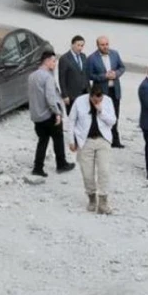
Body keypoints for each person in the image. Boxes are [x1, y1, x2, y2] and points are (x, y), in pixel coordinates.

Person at [68, 86, 116, 214]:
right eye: (95, 100)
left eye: (99, 100)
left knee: (104, 171)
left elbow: (112, 121)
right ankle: (91, 197)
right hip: (86, 141)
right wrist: (71, 140)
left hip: (103, 140)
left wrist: (101, 111)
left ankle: (103, 202)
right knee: (87, 172)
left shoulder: (108, 101)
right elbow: (71, 121)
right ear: (90, 96)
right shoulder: (79, 101)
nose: (97, 102)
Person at [27, 51, 74, 176]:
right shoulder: (47, 77)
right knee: (58, 138)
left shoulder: (32, 76)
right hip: (49, 115)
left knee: (42, 141)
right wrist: (57, 113)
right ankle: (61, 164)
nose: (55, 64)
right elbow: (50, 97)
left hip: (37, 115)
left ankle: (37, 167)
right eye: (53, 61)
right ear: (47, 61)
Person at [87, 36, 126, 148]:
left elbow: (122, 67)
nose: (105, 47)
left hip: (114, 90)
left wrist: (116, 74)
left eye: (107, 44)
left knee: (115, 114)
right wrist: (104, 76)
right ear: (98, 45)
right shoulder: (92, 58)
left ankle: (115, 139)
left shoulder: (115, 54)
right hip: (101, 92)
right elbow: (90, 75)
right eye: (102, 45)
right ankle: (100, 137)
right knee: (100, 113)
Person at [58, 35, 89, 114]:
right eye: (78, 45)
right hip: (72, 95)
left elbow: (85, 74)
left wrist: (89, 90)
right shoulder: (64, 59)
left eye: (82, 46)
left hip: (84, 93)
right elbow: (62, 78)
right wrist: (65, 95)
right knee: (72, 116)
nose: (80, 48)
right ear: (72, 45)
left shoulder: (83, 56)